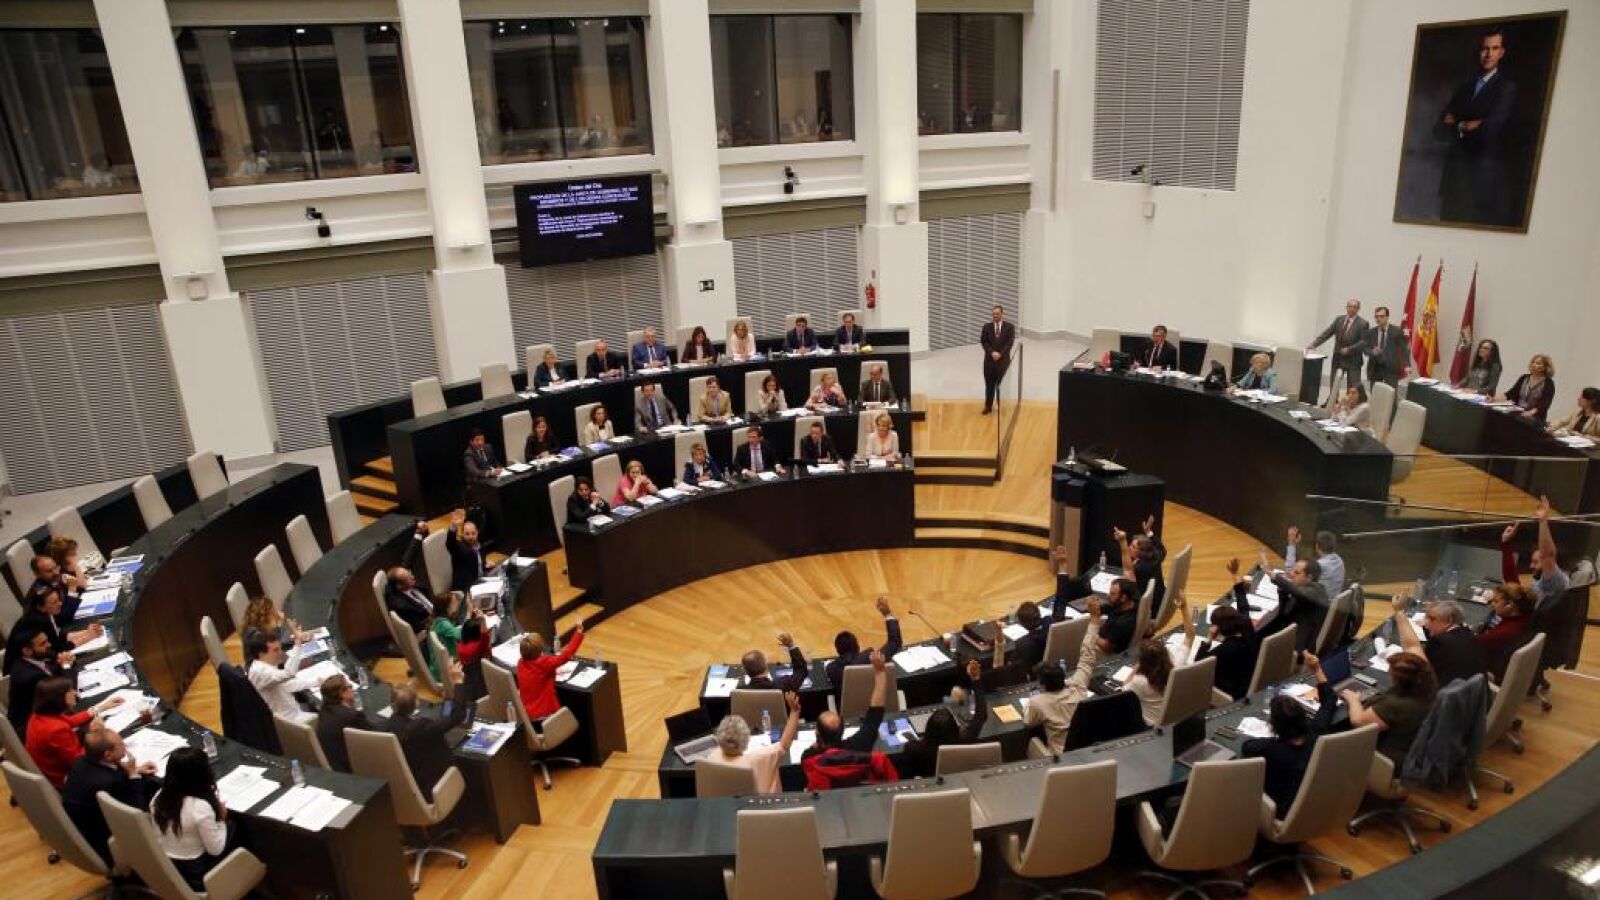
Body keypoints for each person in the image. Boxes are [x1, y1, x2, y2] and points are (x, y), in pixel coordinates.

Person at [1433, 26, 1517, 226]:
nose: (1488, 54)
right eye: (1484, 48)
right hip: (1453, 182)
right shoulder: (1464, 88)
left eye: (1494, 48)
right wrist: (1465, 125)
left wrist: (1455, 124)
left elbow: (1488, 133)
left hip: (1479, 186)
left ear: (1501, 52)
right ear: (1478, 51)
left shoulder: (1506, 89)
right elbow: (1438, 131)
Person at [1241, 651, 1340, 816]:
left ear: (1275, 726)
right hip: (1310, 801)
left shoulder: (1272, 749)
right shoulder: (1316, 731)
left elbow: (1247, 746)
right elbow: (1330, 700)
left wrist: (1271, 738)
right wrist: (1317, 669)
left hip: (1279, 809)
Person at [802, 650, 898, 789]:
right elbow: (876, 711)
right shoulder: (860, 744)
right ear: (842, 730)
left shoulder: (809, 757)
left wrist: (817, 745)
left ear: (817, 733)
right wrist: (880, 672)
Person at [62, 728, 156, 865]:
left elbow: (110, 770)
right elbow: (136, 812)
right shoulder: (110, 783)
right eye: (121, 744)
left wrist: (134, 770)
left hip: (81, 831)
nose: (125, 745)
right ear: (108, 754)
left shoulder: (80, 762)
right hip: (106, 843)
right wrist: (133, 775)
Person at [1025, 599, 1103, 753]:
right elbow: (1087, 657)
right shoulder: (1078, 685)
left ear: (1043, 684)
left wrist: (1030, 700)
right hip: (1086, 750)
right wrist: (1094, 620)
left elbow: (1028, 721)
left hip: (1059, 756)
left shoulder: (1037, 702)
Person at [150, 747, 231, 892]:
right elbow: (216, 850)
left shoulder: (158, 797)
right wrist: (221, 819)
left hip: (166, 865)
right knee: (235, 827)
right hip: (196, 873)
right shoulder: (199, 808)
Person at [384, 668, 472, 800]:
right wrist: (458, 682)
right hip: (436, 785)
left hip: (414, 784)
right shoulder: (421, 727)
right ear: (416, 703)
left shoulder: (390, 725)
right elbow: (457, 716)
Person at [897, 660, 988, 779]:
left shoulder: (914, 749)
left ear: (928, 729)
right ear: (955, 728)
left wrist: (912, 738)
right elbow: (981, 714)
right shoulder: (965, 739)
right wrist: (976, 680)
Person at [1190, 558, 1262, 700]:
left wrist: (1209, 638)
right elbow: (1243, 602)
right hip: (1249, 678)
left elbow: (1199, 663)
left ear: (1219, 629)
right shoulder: (1246, 626)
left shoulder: (1226, 649)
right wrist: (1234, 574)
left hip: (1232, 691)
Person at [1346, 651, 1438, 761]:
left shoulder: (1395, 705)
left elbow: (1359, 722)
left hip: (1388, 757)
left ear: (1399, 680)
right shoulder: (1430, 690)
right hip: (1415, 748)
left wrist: (1353, 700)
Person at [26, 676, 115, 788]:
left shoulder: (39, 714)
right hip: (64, 779)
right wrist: (96, 734)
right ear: (60, 697)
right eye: (70, 690)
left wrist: (100, 708)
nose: (75, 693)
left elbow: (68, 721)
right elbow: (78, 761)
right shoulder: (56, 730)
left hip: (50, 768)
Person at [707, 691, 802, 793]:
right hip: (765, 803)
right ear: (747, 739)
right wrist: (794, 711)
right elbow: (785, 744)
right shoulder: (760, 758)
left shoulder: (712, 758)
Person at [824, 597, 902, 694]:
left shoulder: (831, 669)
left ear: (838, 650)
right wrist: (887, 614)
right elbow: (895, 642)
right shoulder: (871, 657)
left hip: (850, 704)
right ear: (857, 646)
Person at [1504, 496, 1569, 612]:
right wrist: (1506, 544)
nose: (1531, 566)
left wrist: (1543, 521)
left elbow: (1547, 555)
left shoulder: (1555, 580)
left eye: (1535, 562)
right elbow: (1513, 584)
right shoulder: (1541, 578)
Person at [7, 624, 71, 737]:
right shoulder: (31, 676)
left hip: (45, 715)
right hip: (36, 730)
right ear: (27, 651)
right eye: (43, 643)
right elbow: (67, 693)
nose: (49, 645)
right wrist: (66, 665)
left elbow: (51, 670)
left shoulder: (28, 660)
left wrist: (62, 662)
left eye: (47, 641)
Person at [517, 623, 584, 721]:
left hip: (527, 713)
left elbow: (535, 675)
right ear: (540, 651)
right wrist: (578, 632)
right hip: (545, 714)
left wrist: (553, 672)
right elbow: (566, 655)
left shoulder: (520, 663)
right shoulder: (544, 663)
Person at [1263, 557, 1329, 653]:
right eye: (1293, 571)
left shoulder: (1316, 591)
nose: (1291, 574)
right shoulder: (1302, 588)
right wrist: (1283, 592)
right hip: (1292, 633)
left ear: (1309, 578)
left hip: (1301, 648)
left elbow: (1299, 593)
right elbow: (1284, 614)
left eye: (1297, 573)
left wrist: (1274, 576)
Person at [243, 630, 311, 725]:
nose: (281, 653)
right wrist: (298, 644)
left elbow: (287, 685)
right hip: (291, 722)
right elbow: (289, 673)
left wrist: (316, 682)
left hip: (293, 713)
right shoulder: (261, 672)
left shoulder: (264, 666)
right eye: (275, 650)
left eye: (280, 649)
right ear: (261, 654)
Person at [1308, 298, 1370, 397]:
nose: (1351, 309)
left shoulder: (1363, 323)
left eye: (1354, 307)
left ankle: (1348, 405)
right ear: (1346, 307)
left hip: (1353, 361)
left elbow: (1364, 342)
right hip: (1338, 358)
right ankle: (1332, 402)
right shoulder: (1339, 320)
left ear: (1358, 309)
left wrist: (1349, 349)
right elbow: (1327, 333)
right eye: (1349, 306)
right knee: (1334, 384)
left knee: (1352, 387)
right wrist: (1314, 344)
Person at [315, 674, 375, 773]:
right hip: (351, 767)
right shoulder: (352, 716)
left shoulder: (324, 710)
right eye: (349, 686)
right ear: (342, 694)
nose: (352, 689)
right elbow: (375, 735)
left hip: (333, 763)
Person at [385, 522, 434, 635]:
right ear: (400, 586)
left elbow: (408, 558)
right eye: (409, 578)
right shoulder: (402, 606)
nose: (413, 577)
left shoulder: (399, 579)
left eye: (410, 574)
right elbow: (420, 628)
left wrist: (418, 533)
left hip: (434, 610)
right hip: (431, 626)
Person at [1123, 639, 1175, 726]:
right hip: (1171, 717)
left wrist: (1136, 668)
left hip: (1152, 723)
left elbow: (1124, 689)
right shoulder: (1173, 671)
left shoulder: (1140, 681)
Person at [742, 633, 807, 691]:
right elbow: (801, 671)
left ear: (745, 670)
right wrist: (791, 646)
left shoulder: (739, 692)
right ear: (765, 665)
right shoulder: (784, 684)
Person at [980, 304, 1015, 414]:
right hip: (989, 362)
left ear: (1002, 314)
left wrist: (1000, 354)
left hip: (1003, 362)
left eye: (997, 314)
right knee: (989, 385)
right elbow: (984, 342)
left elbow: (1009, 343)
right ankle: (988, 406)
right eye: (993, 314)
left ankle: (1001, 406)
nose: (995, 316)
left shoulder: (1010, 327)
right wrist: (992, 352)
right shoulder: (986, 327)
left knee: (1003, 386)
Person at [1501, 354, 1556, 422]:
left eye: (1538, 363)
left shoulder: (1548, 383)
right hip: (1518, 413)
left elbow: (1544, 404)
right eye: (1533, 362)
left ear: (1545, 367)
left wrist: (1531, 412)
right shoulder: (1524, 378)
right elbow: (1511, 393)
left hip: (1535, 417)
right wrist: (1494, 399)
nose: (1534, 365)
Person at [242, 595, 307, 650]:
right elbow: (284, 655)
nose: (278, 612)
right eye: (273, 610)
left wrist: (296, 634)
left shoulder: (272, 630)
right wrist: (295, 633)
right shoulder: (259, 640)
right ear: (265, 618)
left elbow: (286, 638)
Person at [444, 509, 486, 593]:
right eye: (467, 534)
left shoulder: (481, 546)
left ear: (477, 533)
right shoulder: (460, 548)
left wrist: (483, 564)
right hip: (465, 589)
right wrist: (453, 526)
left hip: (479, 583)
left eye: (473, 533)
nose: (470, 537)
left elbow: (477, 564)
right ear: (462, 534)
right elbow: (450, 543)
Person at [1364, 306, 1407, 387]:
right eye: (1376, 316)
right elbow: (1365, 349)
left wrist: (1407, 365)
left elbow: (1404, 349)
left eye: (1381, 316)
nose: (1378, 319)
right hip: (1375, 369)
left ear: (1387, 317)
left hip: (1391, 369)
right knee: (1376, 393)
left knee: (1391, 393)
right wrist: (1372, 352)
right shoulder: (1370, 332)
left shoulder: (1397, 331)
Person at [1311, 531, 1346, 596]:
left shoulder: (1319, 565)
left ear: (1317, 546)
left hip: (1321, 600)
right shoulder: (1340, 560)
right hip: (1335, 598)